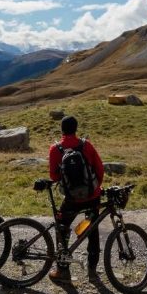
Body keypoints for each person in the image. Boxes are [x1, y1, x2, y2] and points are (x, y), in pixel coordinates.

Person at [46, 114, 105, 284]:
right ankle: (92, 272)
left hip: (71, 199)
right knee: (92, 230)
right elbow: (99, 169)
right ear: (76, 128)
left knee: (62, 229)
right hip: (92, 197)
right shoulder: (86, 145)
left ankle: (63, 271)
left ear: (62, 129)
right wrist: (94, 189)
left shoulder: (55, 149)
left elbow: (54, 175)